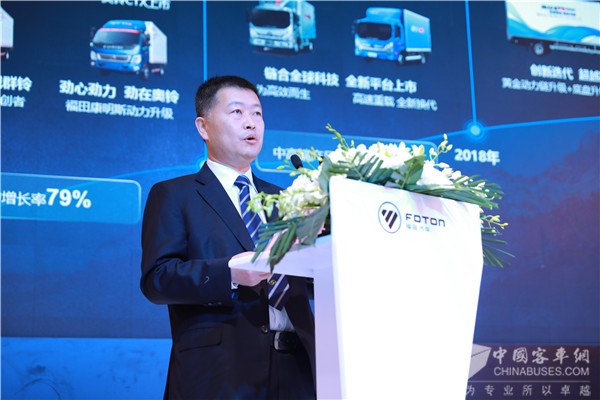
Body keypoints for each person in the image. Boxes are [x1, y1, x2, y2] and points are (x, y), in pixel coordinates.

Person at [140, 75, 316, 399]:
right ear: (203, 127)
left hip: (299, 370)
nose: (251, 123)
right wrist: (230, 274)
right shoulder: (174, 195)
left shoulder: (289, 200)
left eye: (257, 113)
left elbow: (308, 282)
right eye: (237, 112)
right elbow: (157, 279)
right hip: (220, 373)